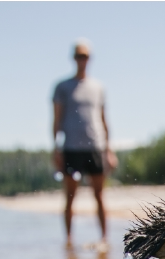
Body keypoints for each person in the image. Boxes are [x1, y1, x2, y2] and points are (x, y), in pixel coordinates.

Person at [52, 40, 117, 247]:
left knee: (99, 195)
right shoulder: (62, 87)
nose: (82, 60)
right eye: (79, 56)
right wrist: (56, 149)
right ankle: (69, 242)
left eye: (86, 56)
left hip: (95, 146)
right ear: (74, 58)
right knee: (70, 197)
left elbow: (104, 119)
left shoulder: (98, 87)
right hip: (71, 148)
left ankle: (104, 240)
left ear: (90, 59)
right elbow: (56, 119)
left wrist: (109, 150)